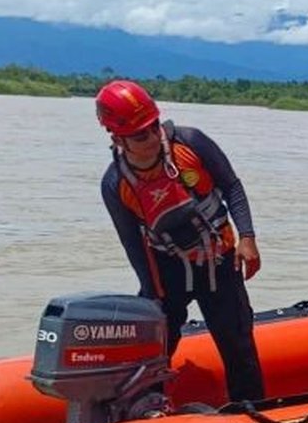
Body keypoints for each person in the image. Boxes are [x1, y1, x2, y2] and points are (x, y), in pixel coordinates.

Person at [96, 79, 265, 403]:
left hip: (219, 262)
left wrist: (247, 237)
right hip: (167, 270)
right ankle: (148, 410)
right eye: (139, 134)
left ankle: (250, 410)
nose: (150, 138)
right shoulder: (115, 184)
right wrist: (152, 294)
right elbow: (132, 243)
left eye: (153, 126)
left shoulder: (192, 143)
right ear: (117, 138)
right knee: (155, 348)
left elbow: (232, 187)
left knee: (238, 342)